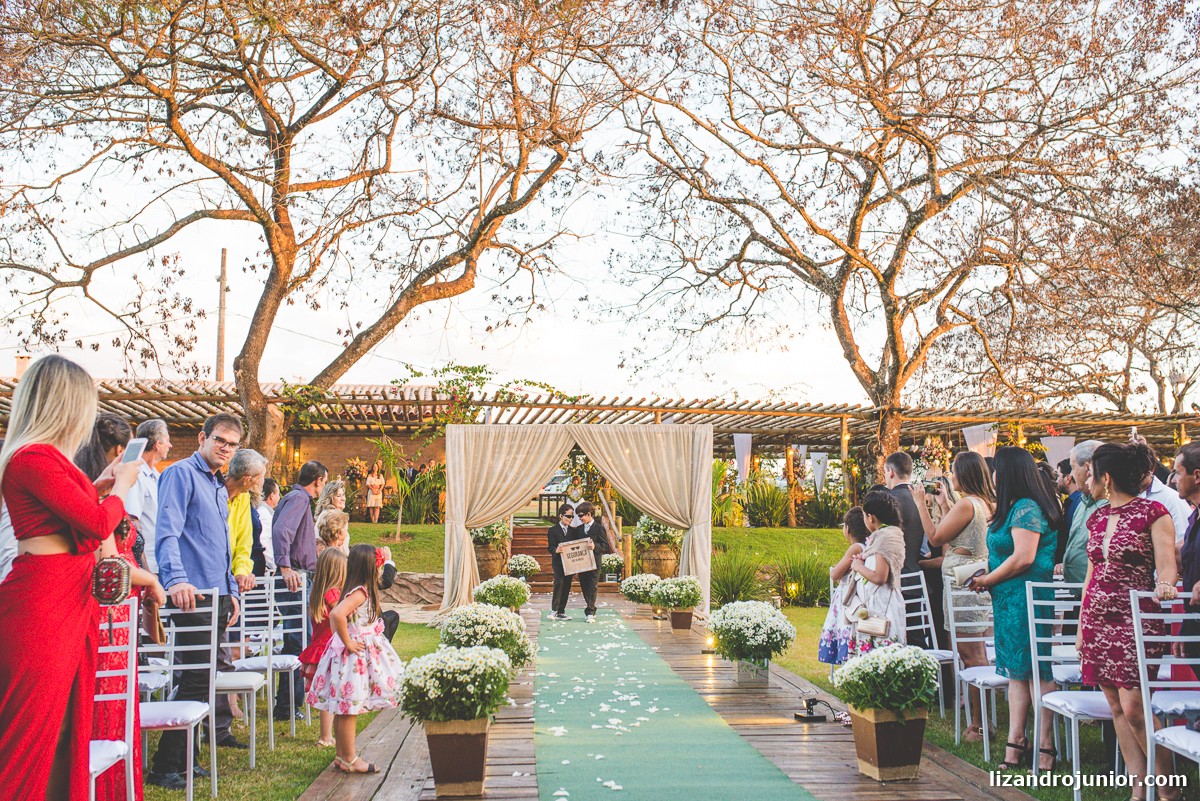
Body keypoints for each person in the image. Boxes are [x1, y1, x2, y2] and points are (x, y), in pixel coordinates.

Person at [0, 355, 141, 801]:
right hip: (42, 602)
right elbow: (98, 526)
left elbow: (79, 516)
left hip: (67, 598)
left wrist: (98, 488)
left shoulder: (48, 460)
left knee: (63, 730)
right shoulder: (32, 457)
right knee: (30, 734)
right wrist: (120, 489)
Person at [1077, 443, 1180, 799]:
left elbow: (1167, 565)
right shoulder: (1096, 517)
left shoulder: (1154, 512)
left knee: (1135, 706)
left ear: (1105, 478)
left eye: (1090, 473)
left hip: (1135, 620)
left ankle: (1168, 790)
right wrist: (1080, 628)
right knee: (1116, 706)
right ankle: (1139, 790)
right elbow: (1091, 577)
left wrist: (1165, 584)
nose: (1086, 480)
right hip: (1097, 623)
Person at [149, 412, 246, 788]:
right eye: (220, 439)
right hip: (189, 595)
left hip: (216, 594)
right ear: (202, 438)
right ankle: (164, 766)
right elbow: (167, 532)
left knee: (204, 680)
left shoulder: (219, 485)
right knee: (192, 679)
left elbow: (219, 545)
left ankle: (187, 759)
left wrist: (232, 593)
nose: (225, 447)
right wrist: (175, 580)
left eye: (232, 444)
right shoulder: (180, 474)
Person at [75, 415, 169, 801]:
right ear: (117, 451)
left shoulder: (93, 489)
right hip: (111, 611)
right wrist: (151, 582)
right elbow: (110, 569)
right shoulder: (100, 496)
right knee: (109, 701)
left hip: (120, 610)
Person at [968, 446, 1059, 772]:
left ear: (1008, 473)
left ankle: (1045, 746)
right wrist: (985, 573)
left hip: (1028, 602)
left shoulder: (1027, 509)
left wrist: (989, 578)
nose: (992, 475)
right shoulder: (1012, 509)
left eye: (996, 470)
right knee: (1016, 674)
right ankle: (1016, 742)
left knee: (1036, 672)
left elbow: (1024, 557)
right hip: (1009, 603)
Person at [912, 451, 994, 742]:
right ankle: (980, 722)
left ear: (966, 474)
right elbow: (960, 534)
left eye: (955, 471)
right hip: (967, 580)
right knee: (975, 653)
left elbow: (935, 538)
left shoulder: (968, 505)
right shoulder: (978, 504)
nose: (951, 475)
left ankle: (979, 726)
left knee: (972, 655)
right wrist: (946, 503)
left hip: (963, 585)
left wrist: (921, 504)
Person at [307, 543, 405, 775]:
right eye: (379, 567)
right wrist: (349, 642)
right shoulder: (360, 592)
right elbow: (337, 614)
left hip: (351, 655)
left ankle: (341, 755)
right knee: (350, 707)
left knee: (344, 708)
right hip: (354, 657)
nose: (381, 572)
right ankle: (350, 757)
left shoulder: (359, 589)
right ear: (369, 569)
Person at [272, 459, 328, 721]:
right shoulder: (299, 499)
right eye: (324, 482)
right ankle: (286, 706)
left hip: (297, 576)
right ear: (317, 480)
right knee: (297, 642)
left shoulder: (293, 498)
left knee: (297, 640)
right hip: (293, 579)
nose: (323, 487)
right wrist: (285, 566)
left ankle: (288, 703)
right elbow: (282, 531)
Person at [845, 490, 907, 656]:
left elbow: (880, 577)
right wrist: (864, 560)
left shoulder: (884, 538)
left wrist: (858, 566)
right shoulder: (887, 535)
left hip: (882, 607)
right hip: (879, 604)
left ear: (870, 517)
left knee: (881, 656)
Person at [883, 451, 935, 646]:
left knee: (896, 636)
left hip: (895, 577)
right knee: (916, 635)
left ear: (890, 472)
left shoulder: (889, 500)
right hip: (916, 575)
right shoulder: (919, 499)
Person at [299, 548, 348, 749]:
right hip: (329, 650)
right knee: (329, 696)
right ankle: (325, 737)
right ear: (338, 572)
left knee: (329, 695)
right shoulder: (333, 594)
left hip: (323, 647)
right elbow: (341, 613)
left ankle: (328, 735)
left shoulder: (319, 592)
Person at [818, 507, 870, 666]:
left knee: (845, 628)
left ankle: (845, 658)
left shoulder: (856, 547)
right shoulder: (868, 545)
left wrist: (834, 569)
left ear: (848, 529)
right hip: (860, 598)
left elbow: (835, 574)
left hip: (848, 600)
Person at [548, 501, 612, 621]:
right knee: (584, 586)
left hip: (594, 564)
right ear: (561, 516)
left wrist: (595, 547)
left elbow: (605, 546)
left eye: (580, 515)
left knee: (592, 586)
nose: (578, 518)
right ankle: (559, 610)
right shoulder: (578, 530)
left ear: (589, 514)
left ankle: (590, 612)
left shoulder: (599, 528)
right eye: (575, 516)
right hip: (581, 564)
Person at [1060, 441, 1106, 587]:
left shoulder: (1108, 506)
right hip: (1077, 590)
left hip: (1097, 590)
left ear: (1088, 468)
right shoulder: (1081, 503)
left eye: (1073, 468)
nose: (1071, 474)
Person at [225, 448, 267, 595]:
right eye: (259, 477)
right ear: (247, 479)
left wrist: (241, 572)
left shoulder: (243, 498)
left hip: (233, 575)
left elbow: (244, 542)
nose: (261, 481)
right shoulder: (214, 495)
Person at [1173, 442, 1200, 661]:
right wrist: (1187, 626)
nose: (1174, 480)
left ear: (1197, 476)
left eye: (1178, 473)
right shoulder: (1194, 519)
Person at [254, 478, 280, 576]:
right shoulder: (263, 514)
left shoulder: (266, 512)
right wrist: (272, 565)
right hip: (266, 568)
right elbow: (264, 541)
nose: (279, 497)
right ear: (272, 496)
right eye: (278, 494)